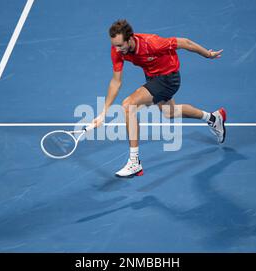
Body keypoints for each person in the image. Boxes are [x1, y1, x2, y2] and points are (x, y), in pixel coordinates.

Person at [92, 19, 226, 178]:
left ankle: (134, 162)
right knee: (170, 113)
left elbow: (185, 42)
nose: (117, 49)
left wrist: (208, 54)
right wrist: (103, 112)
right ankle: (213, 118)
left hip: (169, 78)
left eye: (120, 45)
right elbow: (116, 82)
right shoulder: (118, 50)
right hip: (153, 77)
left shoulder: (152, 43)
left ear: (130, 39)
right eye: (114, 45)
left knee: (128, 105)